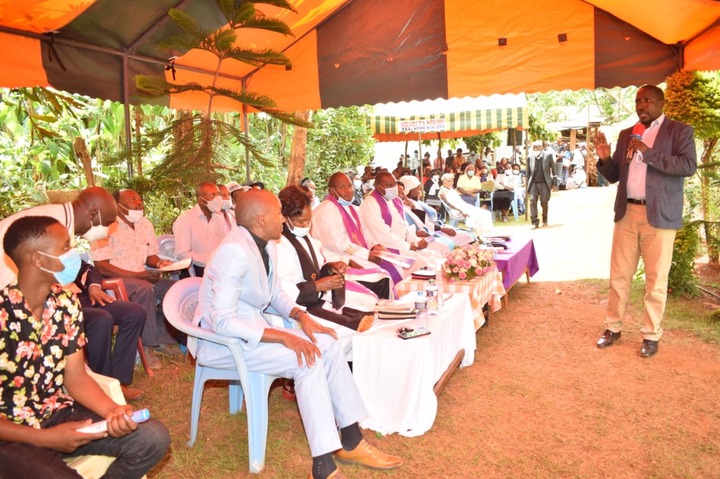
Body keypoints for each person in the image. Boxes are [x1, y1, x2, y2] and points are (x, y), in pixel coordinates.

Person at [195, 189, 402, 479]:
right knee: (308, 360)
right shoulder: (234, 252)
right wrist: (282, 336)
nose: (283, 218)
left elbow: (275, 292)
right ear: (261, 219)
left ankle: (351, 439)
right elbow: (222, 322)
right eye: (279, 213)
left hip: (250, 328)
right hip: (223, 343)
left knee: (328, 343)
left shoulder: (263, 243)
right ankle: (323, 466)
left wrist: (301, 317)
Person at [0, 216, 170, 478]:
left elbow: (77, 377)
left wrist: (112, 410)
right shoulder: (3, 316)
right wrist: (45, 439)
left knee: (152, 438)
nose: (73, 255)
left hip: (56, 414)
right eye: (65, 248)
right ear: (38, 259)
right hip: (11, 435)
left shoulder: (66, 304)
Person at [591, 84, 697, 358]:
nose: (641, 105)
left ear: (661, 103)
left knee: (656, 279)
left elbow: (687, 166)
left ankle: (651, 334)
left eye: (647, 100)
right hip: (627, 214)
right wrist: (604, 158)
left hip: (659, 215)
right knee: (619, 276)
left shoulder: (679, 131)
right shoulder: (627, 134)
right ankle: (612, 327)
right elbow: (615, 175)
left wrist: (648, 152)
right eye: (638, 101)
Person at [91, 189, 182, 366]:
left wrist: (159, 264)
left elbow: (151, 256)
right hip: (115, 280)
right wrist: (139, 276)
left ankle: (163, 340)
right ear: (118, 206)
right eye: (132, 199)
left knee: (174, 289)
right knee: (146, 290)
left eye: (140, 199)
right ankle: (147, 348)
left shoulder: (144, 224)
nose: (139, 203)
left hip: (141, 275)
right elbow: (101, 266)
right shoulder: (104, 227)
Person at [277, 185, 386, 331]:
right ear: (286, 218)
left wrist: (330, 267)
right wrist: (318, 286)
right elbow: (283, 290)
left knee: (370, 304)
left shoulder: (303, 235)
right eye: (301, 222)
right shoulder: (280, 244)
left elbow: (314, 268)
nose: (305, 226)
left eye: (308, 221)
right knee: (356, 325)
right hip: (301, 306)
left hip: (317, 294)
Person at [0, 186, 117, 289]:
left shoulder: (57, 217)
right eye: (107, 222)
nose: (107, 230)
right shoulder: (51, 228)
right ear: (93, 213)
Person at [312, 172, 403, 286]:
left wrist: (374, 245)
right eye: (342, 187)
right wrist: (366, 255)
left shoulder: (353, 208)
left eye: (350, 186)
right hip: (338, 260)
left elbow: (365, 231)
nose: (348, 190)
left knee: (396, 267)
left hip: (357, 254)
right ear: (332, 190)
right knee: (381, 276)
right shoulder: (325, 211)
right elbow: (339, 244)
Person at [75, 260, 147, 400]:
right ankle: (104, 387)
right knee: (102, 319)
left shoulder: (60, 251)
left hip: (88, 299)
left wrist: (94, 287)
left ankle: (119, 382)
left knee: (135, 313)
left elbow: (90, 270)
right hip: (64, 307)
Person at [359, 172, 442, 269]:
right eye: (389, 185)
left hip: (405, 245)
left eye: (394, 184)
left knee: (436, 256)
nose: (393, 187)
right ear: (378, 187)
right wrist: (408, 246)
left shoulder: (396, 200)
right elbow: (382, 235)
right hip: (389, 248)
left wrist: (416, 241)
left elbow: (404, 226)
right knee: (425, 264)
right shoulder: (370, 203)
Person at [173, 182, 234, 277]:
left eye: (218, 194)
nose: (218, 198)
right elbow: (182, 254)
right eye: (213, 195)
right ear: (201, 200)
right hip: (195, 270)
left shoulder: (220, 219)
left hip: (219, 268)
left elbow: (227, 245)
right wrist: (210, 260)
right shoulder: (185, 219)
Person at [439, 173, 494, 237]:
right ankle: (475, 235)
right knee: (478, 214)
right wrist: (461, 210)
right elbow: (449, 203)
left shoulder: (451, 190)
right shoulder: (442, 192)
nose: (451, 183)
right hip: (456, 210)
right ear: (443, 181)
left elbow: (460, 201)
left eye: (452, 181)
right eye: (448, 181)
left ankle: (480, 234)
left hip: (463, 206)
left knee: (486, 213)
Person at [526, 140, 554, 228]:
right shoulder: (529, 157)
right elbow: (527, 173)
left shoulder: (548, 156)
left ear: (542, 148)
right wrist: (527, 185)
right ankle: (534, 222)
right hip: (533, 183)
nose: (536, 149)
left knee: (544, 202)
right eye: (534, 148)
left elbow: (554, 169)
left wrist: (554, 183)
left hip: (544, 183)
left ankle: (545, 218)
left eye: (538, 147)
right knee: (532, 201)